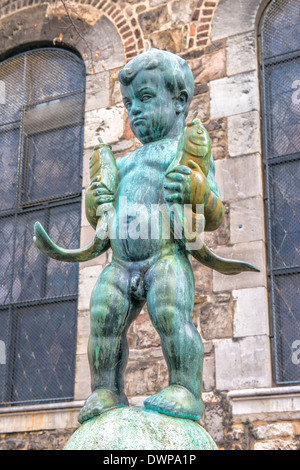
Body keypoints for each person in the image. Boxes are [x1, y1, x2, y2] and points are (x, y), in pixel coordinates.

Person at [78, 48, 224, 424]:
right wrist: (95, 203)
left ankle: (187, 390)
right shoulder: (123, 162)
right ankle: (106, 390)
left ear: (179, 101)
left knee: (173, 318)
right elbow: (99, 215)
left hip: (165, 258)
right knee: (103, 323)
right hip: (120, 264)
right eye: (128, 103)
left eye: (144, 98)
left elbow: (214, 213)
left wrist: (197, 190)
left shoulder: (186, 153)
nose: (134, 111)